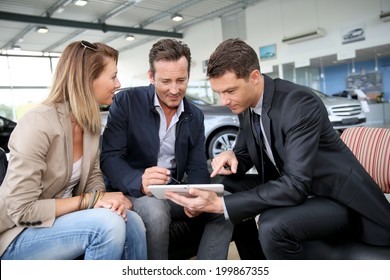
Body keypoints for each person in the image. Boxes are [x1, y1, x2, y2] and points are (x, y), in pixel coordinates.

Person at [166, 38, 390, 259]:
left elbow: (296, 184)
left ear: (254, 77)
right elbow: (245, 155)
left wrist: (222, 204)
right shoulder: (246, 104)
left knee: (271, 225)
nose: (224, 100)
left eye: (230, 91)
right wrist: (232, 155)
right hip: (293, 184)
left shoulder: (299, 103)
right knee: (224, 183)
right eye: (219, 93)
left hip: (332, 197)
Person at [0, 40, 147, 260]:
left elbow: (94, 179)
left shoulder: (90, 124)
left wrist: (105, 200)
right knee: (107, 225)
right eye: (113, 76)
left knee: (131, 220)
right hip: (17, 234)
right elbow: (22, 211)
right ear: (88, 79)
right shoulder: (37, 123)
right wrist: (90, 201)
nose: (118, 83)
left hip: (61, 221)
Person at [100, 38, 233, 260]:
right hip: (133, 190)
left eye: (181, 80)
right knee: (156, 212)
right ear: (151, 77)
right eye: (165, 81)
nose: (174, 89)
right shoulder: (126, 102)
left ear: (189, 75)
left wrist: (199, 194)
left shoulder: (195, 115)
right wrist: (139, 181)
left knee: (227, 204)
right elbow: (110, 157)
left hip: (172, 191)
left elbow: (197, 164)